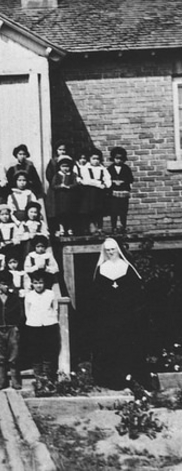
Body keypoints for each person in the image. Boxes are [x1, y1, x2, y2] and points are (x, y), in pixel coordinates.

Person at [91, 238, 151, 390]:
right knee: (111, 347)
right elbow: (96, 296)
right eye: (108, 250)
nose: (111, 252)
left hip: (127, 317)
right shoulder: (101, 269)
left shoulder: (127, 268)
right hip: (108, 318)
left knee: (128, 346)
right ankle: (113, 380)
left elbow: (137, 293)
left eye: (113, 249)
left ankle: (132, 378)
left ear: (118, 249)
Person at [24, 270, 59, 380]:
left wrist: (51, 319)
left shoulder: (50, 294)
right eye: (35, 283)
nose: (38, 285)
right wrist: (33, 320)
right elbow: (27, 311)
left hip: (49, 325)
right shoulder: (29, 295)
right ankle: (38, 377)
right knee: (35, 350)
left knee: (48, 350)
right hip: (34, 326)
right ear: (32, 284)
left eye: (40, 283)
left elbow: (55, 308)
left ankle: (47, 376)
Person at [78, 148, 112, 234]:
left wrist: (106, 184)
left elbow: (108, 178)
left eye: (98, 159)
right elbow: (86, 180)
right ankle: (91, 227)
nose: (96, 161)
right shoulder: (86, 168)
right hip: (89, 192)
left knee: (99, 210)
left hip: (100, 193)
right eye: (94, 159)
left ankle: (100, 228)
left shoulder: (102, 169)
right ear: (89, 159)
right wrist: (98, 184)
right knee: (90, 210)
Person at [107, 146, 134, 234]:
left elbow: (130, 179)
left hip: (123, 192)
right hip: (113, 193)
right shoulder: (109, 169)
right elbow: (107, 179)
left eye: (121, 159)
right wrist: (113, 182)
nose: (119, 160)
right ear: (113, 158)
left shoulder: (126, 168)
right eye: (117, 158)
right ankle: (114, 227)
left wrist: (123, 181)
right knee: (113, 211)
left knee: (123, 211)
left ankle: (123, 226)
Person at [51, 155, 79, 236]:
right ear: (59, 167)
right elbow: (53, 185)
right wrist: (60, 186)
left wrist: (69, 186)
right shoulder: (57, 175)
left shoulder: (72, 175)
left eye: (67, 166)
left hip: (70, 197)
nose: (65, 168)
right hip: (60, 198)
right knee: (61, 214)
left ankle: (70, 228)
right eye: (63, 166)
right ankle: (61, 228)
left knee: (70, 213)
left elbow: (76, 184)